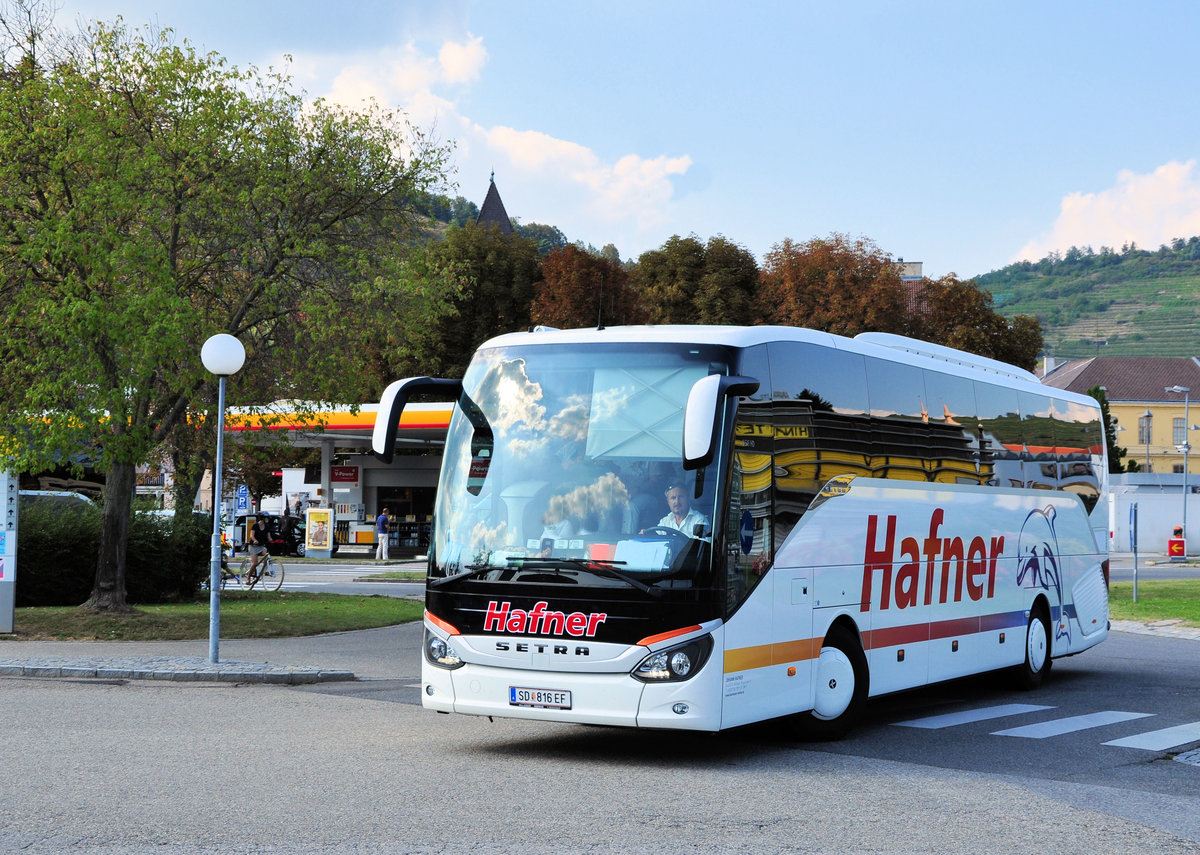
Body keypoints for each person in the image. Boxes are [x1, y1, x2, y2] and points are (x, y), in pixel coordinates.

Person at [247, 516, 270, 581]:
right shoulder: (255, 526)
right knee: (255, 563)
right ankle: (248, 578)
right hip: (253, 546)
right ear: (262, 518)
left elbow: (269, 537)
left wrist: (271, 540)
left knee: (266, 555)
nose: (267, 519)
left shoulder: (267, 526)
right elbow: (251, 535)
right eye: (266, 518)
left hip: (261, 546)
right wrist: (255, 540)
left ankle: (266, 570)